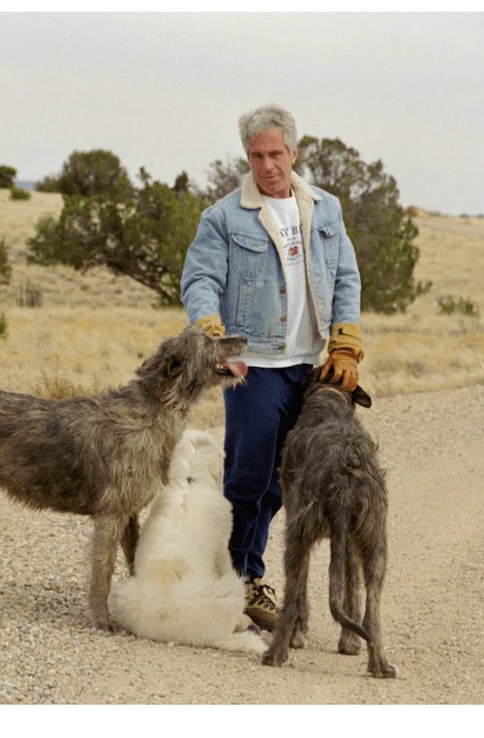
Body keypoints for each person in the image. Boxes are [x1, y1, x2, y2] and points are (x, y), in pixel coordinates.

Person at [180, 104, 364, 630]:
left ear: (294, 152)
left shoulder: (325, 209)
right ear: (247, 156)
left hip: (309, 369)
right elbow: (200, 280)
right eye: (256, 155)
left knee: (287, 483)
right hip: (252, 366)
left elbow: (346, 278)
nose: (266, 165)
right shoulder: (222, 216)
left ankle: (243, 573)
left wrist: (345, 343)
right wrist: (209, 328)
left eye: (275, 153)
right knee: (247, 478)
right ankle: (241, 579)